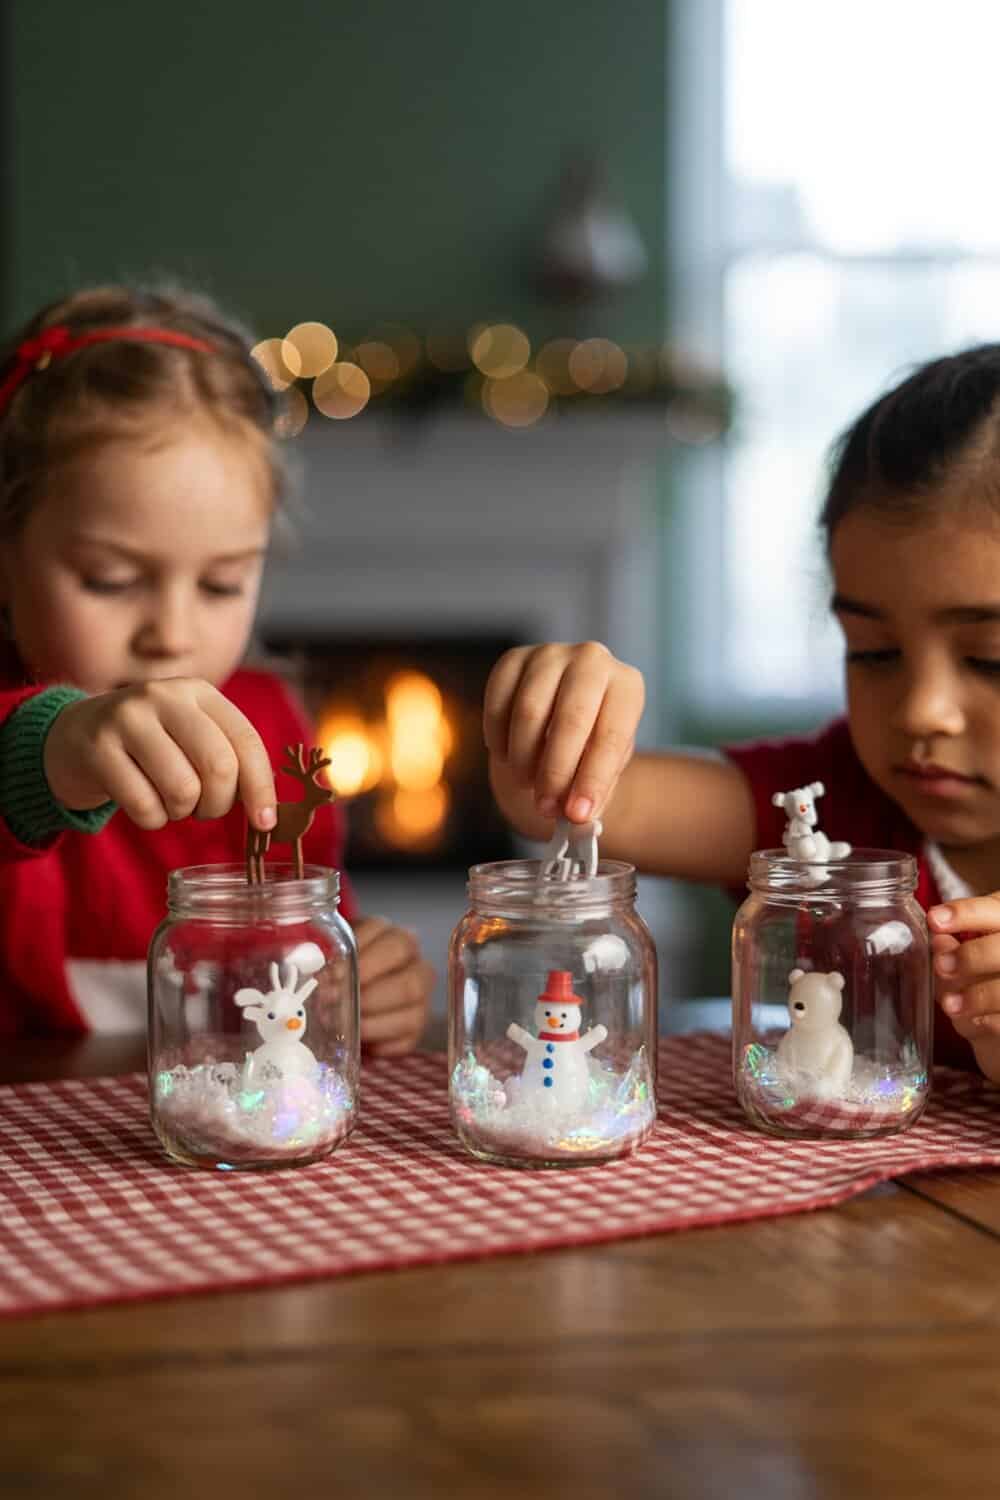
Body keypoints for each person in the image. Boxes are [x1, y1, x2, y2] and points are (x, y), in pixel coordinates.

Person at [484, 344, 1000, 1083]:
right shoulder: (830, 813)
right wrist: (557, 707)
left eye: (990, 657)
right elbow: (541, 800)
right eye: (874, 651)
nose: (923, 711)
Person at [0, 282, 433, 1051]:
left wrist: (359, 981)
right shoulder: (29, 744)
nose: (171, 634)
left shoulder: (272, 732)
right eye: (110, 579)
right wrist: (54, 749)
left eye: (221, 584)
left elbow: (307, 958)